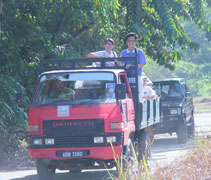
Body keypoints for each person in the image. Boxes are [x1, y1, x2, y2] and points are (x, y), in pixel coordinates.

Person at [120, 32, 146, 101]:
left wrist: (131, 66)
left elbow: (141, 65)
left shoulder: (139, 52)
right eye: (129, 41)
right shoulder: (123, 52)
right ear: (126, 42)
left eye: (132, 41)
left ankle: (138, 109)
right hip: (126, 76)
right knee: (125, 95)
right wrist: (124, 65)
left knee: (138, 94)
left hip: (137, 76)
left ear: (136, 42)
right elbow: (121, 63)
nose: (130, 43)